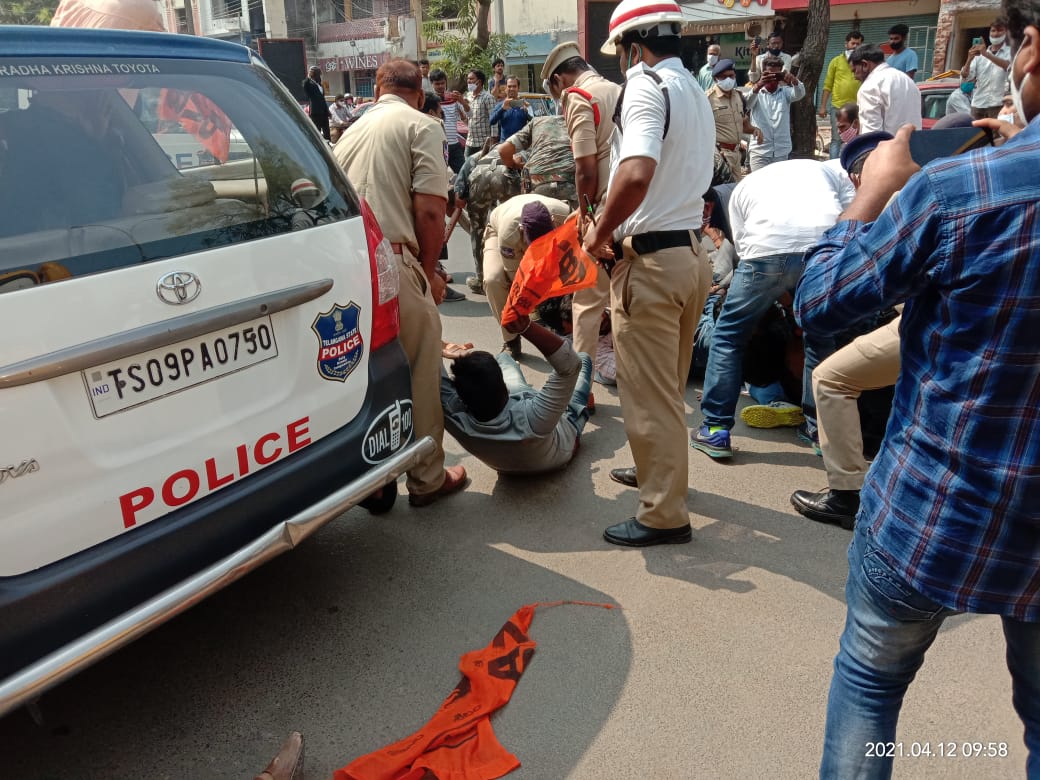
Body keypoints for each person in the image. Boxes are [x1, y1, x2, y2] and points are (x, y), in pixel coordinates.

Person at [799, 0, 1040, 772]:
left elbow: (818, 303)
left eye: (1026, 41)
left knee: (870, 684)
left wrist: (872, 189)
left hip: (930, 516)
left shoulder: (962, 190)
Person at [581, 0, 715, 547]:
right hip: (690, 255)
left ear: (633, 47)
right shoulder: (695, 92)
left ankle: (663, 514)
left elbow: (635, 173)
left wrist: (598, 231)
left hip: (652, 262)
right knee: (670, 384)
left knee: (648, 391)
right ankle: (654, 468)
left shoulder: (644, 86)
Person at [333, 59, 467, 507]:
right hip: (392, 260)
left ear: (376, 89)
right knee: (421, 368)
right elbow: (431, 211)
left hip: (348, 268)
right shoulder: (421, 125)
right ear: (419, 89)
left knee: (370, 375)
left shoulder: (348, 132)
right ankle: (427, 478)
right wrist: (428, 276)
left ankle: (377, 476)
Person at [690, 158, 853, 460]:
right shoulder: (837, 172)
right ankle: (821, 433)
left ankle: (715, 431)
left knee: (728, 337)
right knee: (818, 337)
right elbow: (851, 221)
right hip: (822, 249)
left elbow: (742, 248)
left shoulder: (745, 187)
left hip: (765, 251)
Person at [789, 131, 899, 530]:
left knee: (831, 377)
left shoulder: (875, 203)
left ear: (858, 177)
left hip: (920, 318)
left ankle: (846, 493)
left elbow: (819, 302)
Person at [542, 41, 622, 413]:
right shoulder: (618, 90)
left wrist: (587, 216)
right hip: (634, 209)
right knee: (625, 300)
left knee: (587, 303)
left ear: (559, 79)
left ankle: (580, 390)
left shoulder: (578, 96)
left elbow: (585, 167)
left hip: (605, 212)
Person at [441, 317, 594, 476]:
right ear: (505, 389)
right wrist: (526, 327)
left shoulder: (453, 415)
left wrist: (440, 345)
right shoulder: (533, 417)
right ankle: (581, 405)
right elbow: (571, 363)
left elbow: (426, 365)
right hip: (560, 442)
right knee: (583, 357)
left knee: (503, 358)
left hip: (505, 464)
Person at [482, 195, 572, 358]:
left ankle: (570, 331)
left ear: (553, 223)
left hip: (552, 230)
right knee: (493, 280)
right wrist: (532, 311)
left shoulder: (566, 218)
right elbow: (517, 280)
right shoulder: (509, 234)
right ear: (523, 231)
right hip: (498, 229)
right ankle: (511, 340)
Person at [455, 142, 522, 294]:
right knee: (511, 226)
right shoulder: (520, 151)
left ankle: (480, 279)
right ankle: (513, 278)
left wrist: (462, 192)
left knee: (477, 229)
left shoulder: (478, 156)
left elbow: (460, 192)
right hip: (507, 177)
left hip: (479, 176)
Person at [498, 114, 578, 208]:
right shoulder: (577, 121)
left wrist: (514, 164)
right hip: (570, 180)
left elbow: (503, 150)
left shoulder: (537, 122)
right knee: (579, 217)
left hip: (535, 182)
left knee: (531, 217)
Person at [746, 56, 805, 170]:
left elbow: (800, 94)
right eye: (769, 74)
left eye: (776, 74)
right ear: (763, 73)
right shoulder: (756, 92)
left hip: (781, 151)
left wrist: (794, 81)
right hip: (760, 151)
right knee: (758, 186)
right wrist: (759, 84)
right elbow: (747, 105)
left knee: (778, 187)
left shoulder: (785, 92)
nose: (772, 78)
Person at [850, 43, 922, 134]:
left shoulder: (869, 87)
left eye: (854, 71)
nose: (855, 77)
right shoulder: (908, 81)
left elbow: (871, 134)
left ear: (865, 65)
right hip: (914, 146)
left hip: (889, 146)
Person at [706, 58, 757, 181]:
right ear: (715, 79)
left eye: (731, 76)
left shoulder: (739, 96)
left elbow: (743, 123)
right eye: (724, 77)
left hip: (736, 154)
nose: (729, 80)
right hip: (719, 155)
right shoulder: (707, 99)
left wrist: (755, 130)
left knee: (736, 191)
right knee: (723, 192)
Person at [819, 30, 864, 159]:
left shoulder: (862, 63)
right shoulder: (836, 62)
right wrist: (822, 107)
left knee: (857, 137)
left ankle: (852, 163)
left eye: (858, 44)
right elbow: (827, 85)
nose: (855, 46)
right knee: (837, 139)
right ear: (846, 44)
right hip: (838, 107)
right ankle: (833, 166)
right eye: (853, 43)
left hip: (858, 108)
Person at [961, 18, 1012, 120]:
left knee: (999, 136)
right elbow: (966, 76)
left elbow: (1008, 66)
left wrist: (986, 54)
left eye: (1000, 30)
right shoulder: (979, 54)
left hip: (999, 105)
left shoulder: (1010, 51)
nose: (996, 34)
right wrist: (969, 59)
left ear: (1006, 32)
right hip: (978, 105)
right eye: (993, 30)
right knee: (977, 136)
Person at [429, 68, 468, 173]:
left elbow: (469, 114)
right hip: (438, 146)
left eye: (442, 83)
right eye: (437, 84)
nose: (441, 86)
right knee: (439, 176)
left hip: (454, 144)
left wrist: (462, 101)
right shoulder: (428, 100)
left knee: (463, 174)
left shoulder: (453, 98)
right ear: (431, 84)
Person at [50, 0, 163, 29]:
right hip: (109, 83)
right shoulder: (143, 7)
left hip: (57, 81)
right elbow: (166, 52)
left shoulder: (71, 2)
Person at [489, 77, 531, 142]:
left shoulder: (524, 105)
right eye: (509, 86)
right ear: (506, 88)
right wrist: (502, 109)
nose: (512, 89)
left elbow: (535, 122)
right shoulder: (501, 105)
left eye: (514, 86)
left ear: (518, 88)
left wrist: (528, 111)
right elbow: (491, 121)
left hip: (522, 144)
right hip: (504, 144)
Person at [465, 69, 496, 156]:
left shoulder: (488, 98)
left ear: (479, 81)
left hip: (483, 143)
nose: (468, 81)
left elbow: (494, 120)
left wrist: (493, 140)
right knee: (467, 168)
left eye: (471, 79)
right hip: (470, 141)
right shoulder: (468, 96)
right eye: (468, 79)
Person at [303, 65, 330, 140]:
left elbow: (323, 99)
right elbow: (305, 85)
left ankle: (329, 146)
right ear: (315, 74)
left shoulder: (319, 85)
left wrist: (327, 111)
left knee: (326, 131)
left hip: (323, 112)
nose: (320, 75)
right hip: (316, 112)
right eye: (319, 73)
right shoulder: (309, 84)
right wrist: (309, 76)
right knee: (317, 132)